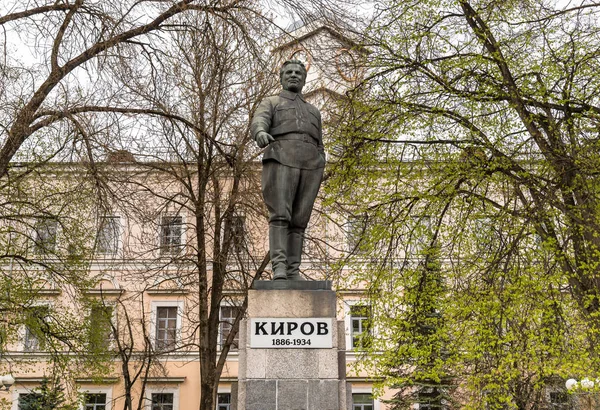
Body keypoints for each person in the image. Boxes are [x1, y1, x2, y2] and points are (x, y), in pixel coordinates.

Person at [251, 59, 325, 280]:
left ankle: (293, 270)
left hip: (310, 165)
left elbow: (319, 141)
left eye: (298, 73)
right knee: (281, 216)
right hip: (281, 157)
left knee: (300, 220)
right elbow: (259, 121)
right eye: (289, 72)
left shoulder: (314, 111)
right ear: (282, 77)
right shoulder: (272, 102)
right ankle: (280, 268)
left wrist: (321, 159)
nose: (294, 75)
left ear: (303, 79)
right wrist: (260, 133)